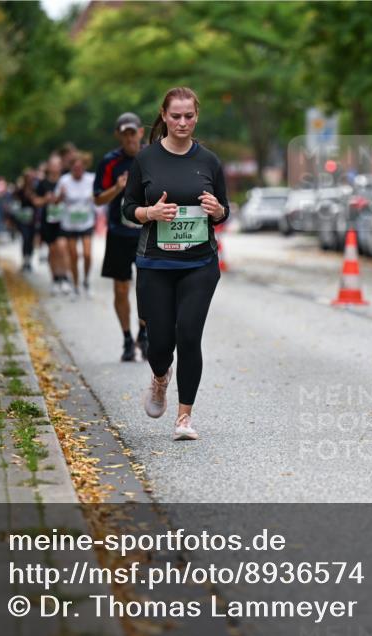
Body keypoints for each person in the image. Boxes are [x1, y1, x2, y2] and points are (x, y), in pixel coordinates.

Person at [123, 87, 229, 441]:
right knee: (159, 345)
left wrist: (218, 211)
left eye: (189, 116)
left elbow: (223, 211)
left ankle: (184, 418)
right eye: (176, 116)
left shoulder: (210, 161)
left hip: (199, 263)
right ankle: (159, 376)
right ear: (164, 117)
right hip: (156, 263)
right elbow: (127, 208)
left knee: (189, 335)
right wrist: (149, 213)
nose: (182, 122)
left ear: (197, 115)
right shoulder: (146, 159)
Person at [95, 112, 150, 362]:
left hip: (147, 232)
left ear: (140, 132)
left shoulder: (153, 156)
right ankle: (127, 338)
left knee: (147, 286)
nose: (130, 138)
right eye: (125, 133)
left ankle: (145, 333)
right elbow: (97, 199)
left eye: (133, 132)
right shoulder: (110, 162)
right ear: (119, 135)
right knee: (120, 288)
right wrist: (117, 188)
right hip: (119, 233)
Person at [54, 151, 96, 297]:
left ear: (84, 167)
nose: (78, 171)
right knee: (73, 256)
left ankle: (86, 280)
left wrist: (95, 198)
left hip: (86, 222)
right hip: (70, 224)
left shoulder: (91, 179)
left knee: (87, 254)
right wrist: (61, 195)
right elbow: (56, 202)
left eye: (80, 168)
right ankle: (76, 285)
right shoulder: (64, 181)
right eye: (75, 168)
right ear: (71, 168)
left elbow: (98, 198)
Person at [35, 155, 70, 294]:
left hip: (63, 220)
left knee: (62, 248)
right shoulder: (43, 183)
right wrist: (45, 199)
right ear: (48, 167)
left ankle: (65, 278)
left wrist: (63, 197)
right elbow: (36, 201)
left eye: (57, 165)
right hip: (48, 220)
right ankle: (55, 279)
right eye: (52, 165)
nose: (55, 168)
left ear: (61, 166)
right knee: (53, 250)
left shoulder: (65, 181)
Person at [15, 169, 40, 272]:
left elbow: (37, 202)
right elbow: (15, 200)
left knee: (31, 240)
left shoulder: (35, 189)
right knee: (25, 238)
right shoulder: (20, 190)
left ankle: (29, 260)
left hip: (32, 219)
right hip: (23, 218)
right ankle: (24, 259)